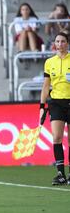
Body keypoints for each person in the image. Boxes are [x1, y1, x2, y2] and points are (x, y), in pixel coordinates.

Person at [39, 32, 70, 185]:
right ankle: (60, 173)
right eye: (57, 41)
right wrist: (42, 106)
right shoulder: (49, 62)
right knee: (57, 137)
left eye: (63, 41)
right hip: (56, 102)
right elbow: (45, 86)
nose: (60, 44)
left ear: (67, 43)